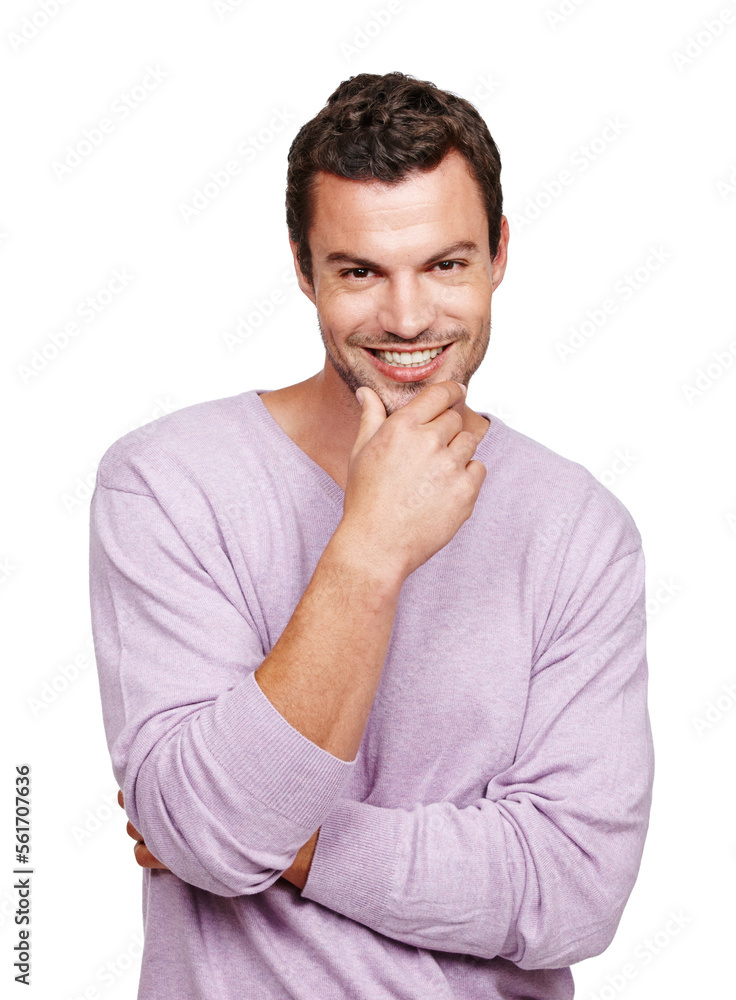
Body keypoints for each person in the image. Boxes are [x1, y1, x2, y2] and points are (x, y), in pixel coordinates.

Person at [89, 71, 654, 999]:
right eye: (360, 271)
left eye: (445, 264)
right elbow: (215, 837)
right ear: (304, 267)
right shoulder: (165, 481)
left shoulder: (578, 529)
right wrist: (370, 549)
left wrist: (301, 842)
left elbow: (573, 893)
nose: (406, 318)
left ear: (500, 253)